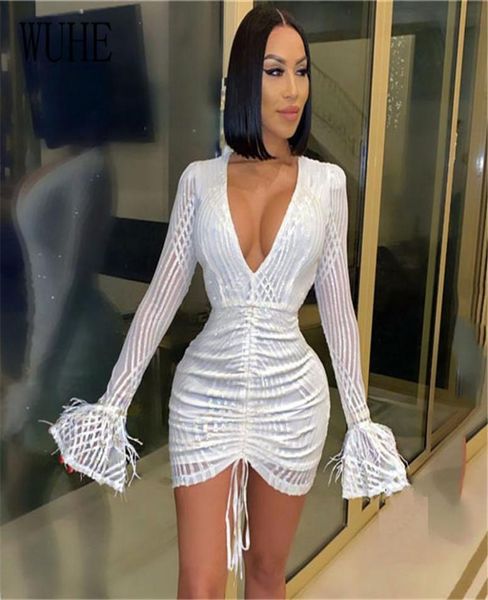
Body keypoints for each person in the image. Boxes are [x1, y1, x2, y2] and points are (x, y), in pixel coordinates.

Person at [40, 5, 411, 599]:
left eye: (301, 70)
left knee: (265, 574)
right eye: (274, 71)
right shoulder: (200, 181)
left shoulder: (327, 185)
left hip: (293, 400)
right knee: (199, 583)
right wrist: (112, 406)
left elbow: (339, 309)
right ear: (243, 80)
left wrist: (361, 421)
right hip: (204, 395)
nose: (293, 90)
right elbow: (161, 298)